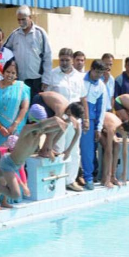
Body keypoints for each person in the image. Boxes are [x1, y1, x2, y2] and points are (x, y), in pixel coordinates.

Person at [45, 48, 89, 191]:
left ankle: (70, 180)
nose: (64, 62)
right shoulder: (52, 75)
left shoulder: (79, 76)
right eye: (62, 59)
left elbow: (83, 99)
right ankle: (57, 180)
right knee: (58, 148)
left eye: (67, 60)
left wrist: (86, 119)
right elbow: (47, 95)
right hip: (60, 119)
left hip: (76, 119)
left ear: (72, 60)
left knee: (74, 151)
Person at [4, 5, 52, 98]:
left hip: (36, 81)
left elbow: (47, 57)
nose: (21, 22)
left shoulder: (40, 33)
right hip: (18, 80)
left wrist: (46, 80)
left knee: (35, 107)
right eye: (19, 20)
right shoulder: (15, 34)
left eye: (23, 19)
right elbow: (3, 50)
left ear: (30, 18)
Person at [0, 59, 30, 148]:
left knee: (16, 156)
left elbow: (24, 108)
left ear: (16, 75)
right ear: (3, 72)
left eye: (13, 73)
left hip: (16, 128)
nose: (10, 75)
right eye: (8, 71)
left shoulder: (22, 88)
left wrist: (14, 126)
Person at [30, 92, 83, 161]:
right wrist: (49, 150)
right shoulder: (61, 110)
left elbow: (78, 133)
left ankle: (47, 149)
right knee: (59, 126)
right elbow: (51, 133)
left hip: (49, 105)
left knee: (63, 126)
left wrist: (68, 150)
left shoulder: (70, 112)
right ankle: (45, 151)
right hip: (40, 100)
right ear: (69, 112)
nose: (73, 121)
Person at [80, 60, 108, 191]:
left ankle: (88, 177)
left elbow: (101, 109)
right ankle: (69, 178)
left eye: (101, 73)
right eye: (97, 72)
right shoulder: (80, 79)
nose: (98, 75)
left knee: (88, 151)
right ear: (91, 69)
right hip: (74, 117)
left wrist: (98, 127)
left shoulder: (101, 86)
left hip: (90, 122)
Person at [99, 112, 129, 187]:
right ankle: (105, 178)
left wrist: (124, 172)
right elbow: (109, 152)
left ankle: (113, 177)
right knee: (107, 147)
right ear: (122, 129)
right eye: (127, 134)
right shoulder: (112, 127)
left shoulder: (123, 127)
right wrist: (108, 176)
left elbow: (125, 151)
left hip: (105, 126)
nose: (127, 136)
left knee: (117, 146)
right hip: (97, 125)